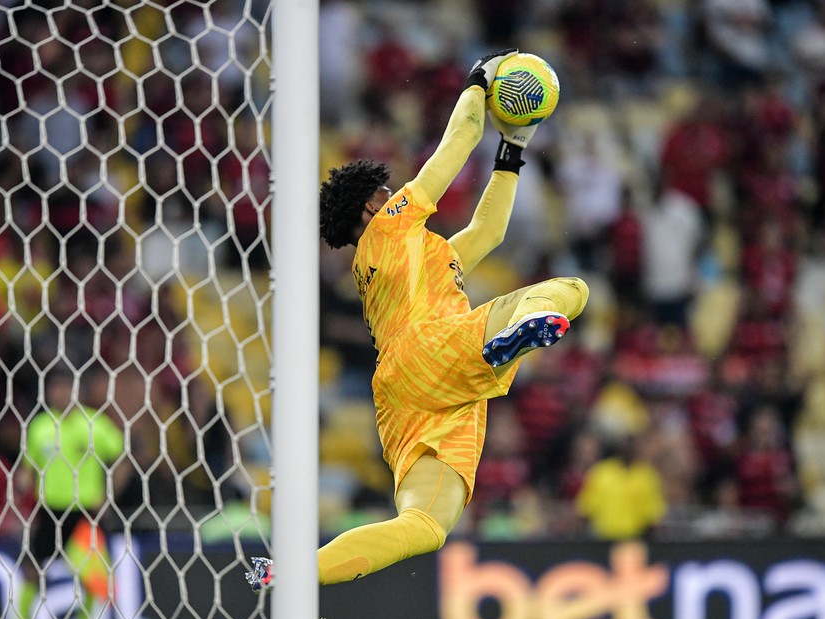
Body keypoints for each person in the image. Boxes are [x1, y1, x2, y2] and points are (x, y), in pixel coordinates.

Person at [247, 49, 589, 589]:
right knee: (569, 287)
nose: (395, 192)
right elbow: (457, 143)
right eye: (384, 191)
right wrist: (478, 82)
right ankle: (508, 340)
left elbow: (488, 232)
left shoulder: (415, 260)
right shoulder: (388, 227)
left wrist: (513, 149)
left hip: (410, 394)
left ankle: (290, 575)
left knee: (426, 525)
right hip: (435, 348)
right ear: (369, 208)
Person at [12, 368, 126, 619]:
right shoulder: (40, 427)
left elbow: (123, 458)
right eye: (57, 389)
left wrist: (109, 494)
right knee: (31, 570)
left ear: (78, 392)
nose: (62, 394)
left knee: (88, 575)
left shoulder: (96, 424)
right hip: (50, 510)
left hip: (86, 512)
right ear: (49, 393)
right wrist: (22, 484)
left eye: (67, 388)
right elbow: (28, 468)